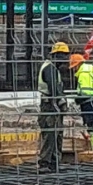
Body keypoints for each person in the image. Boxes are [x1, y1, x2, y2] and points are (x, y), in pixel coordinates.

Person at [35, 40, 74, 170]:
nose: (64, 59)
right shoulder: (49, 68)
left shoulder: (53, 69)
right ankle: (44, 163)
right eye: (62, 55)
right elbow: (53, 89)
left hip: (53, 105)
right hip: (50, 106)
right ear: (55, 55)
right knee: (50, 135)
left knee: (57, 134)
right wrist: (59, 102)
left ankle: (54, 162)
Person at [72, 50, 93, 152]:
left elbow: (86, 93)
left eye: (74, 66)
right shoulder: (92, 71)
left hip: (90, 105)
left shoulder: (84, 74)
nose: (73, 69)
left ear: (78, 65)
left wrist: (77, 99)